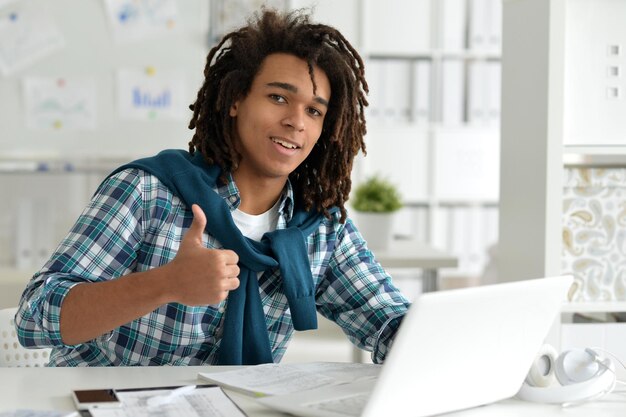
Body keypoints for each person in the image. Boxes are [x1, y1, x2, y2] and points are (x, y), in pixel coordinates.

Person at [15, 8, 410, 366]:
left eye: (314, 111)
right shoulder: (147, 191)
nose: (296, 121)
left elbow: (389, 321)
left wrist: (435, 340)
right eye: (278, 97)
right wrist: (165, 283)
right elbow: (34, 317)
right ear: (236, 99)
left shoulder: (320, 227)